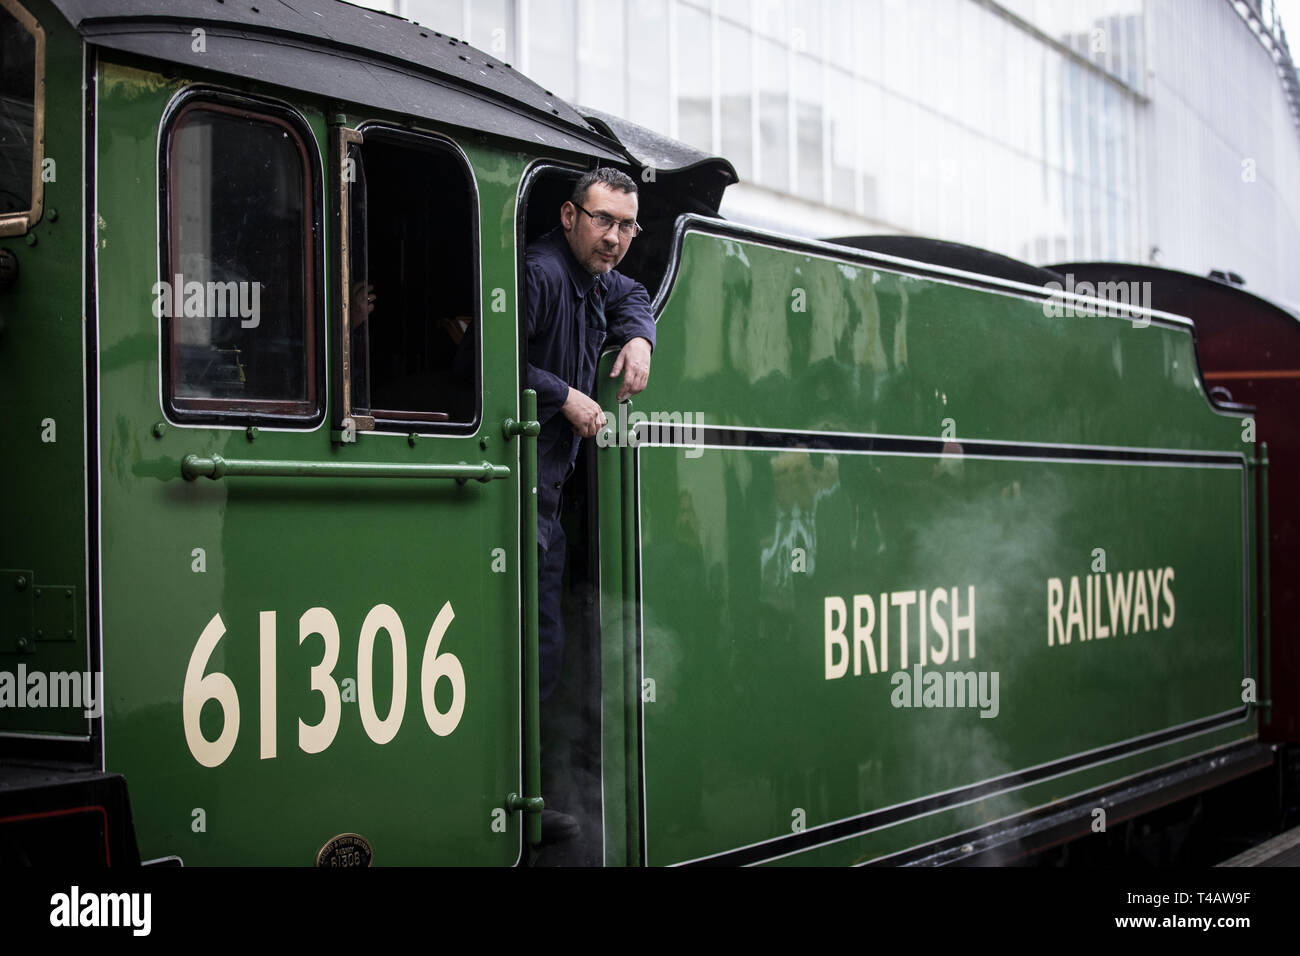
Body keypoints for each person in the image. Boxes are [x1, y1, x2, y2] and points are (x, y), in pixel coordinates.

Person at [527, 168, 655, 704]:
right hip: (516, 492)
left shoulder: (596, 274)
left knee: (547, 647)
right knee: (532, 649)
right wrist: (564, 396)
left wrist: (640, 338)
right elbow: (479, 363)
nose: (614, 238)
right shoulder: (541, 273)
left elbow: (635, 291)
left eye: (627, 226)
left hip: (550, 493)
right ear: (569, 215)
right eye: (603, 220)